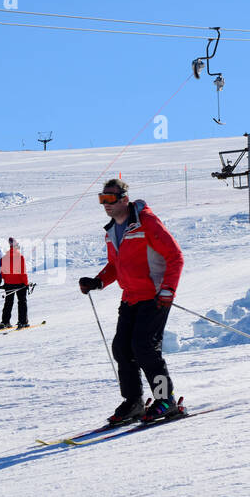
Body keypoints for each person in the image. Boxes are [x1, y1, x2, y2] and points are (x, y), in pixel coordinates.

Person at [78, 178, 184, 424]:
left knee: (145, 347)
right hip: (130, 298)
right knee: (122, 349)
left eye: (110, 199)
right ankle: (133, 402)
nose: (105, 204)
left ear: (124, 199)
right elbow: (116, 265)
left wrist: (168, 290)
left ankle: (164, 399)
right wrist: (98, 281)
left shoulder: (146, 222)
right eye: (102, 199)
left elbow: (175, 256)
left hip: (155, 297)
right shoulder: (111, 230)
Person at [0, 237, 31, 329]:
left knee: (8, 302)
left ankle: (5, 322)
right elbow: (22, 272)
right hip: (19, 284)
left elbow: (2, 272)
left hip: (8, 283)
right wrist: (26, 283)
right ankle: (22, 321)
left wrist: (6, 280)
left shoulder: (4, 258)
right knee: (22, 302)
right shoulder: (20, 257)